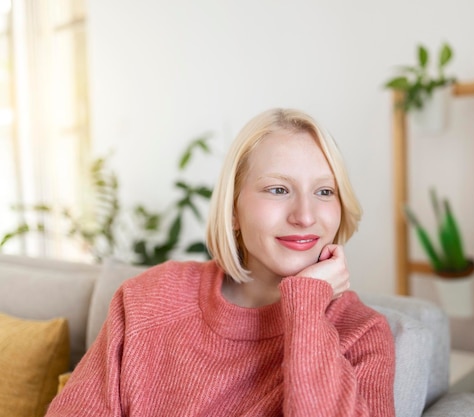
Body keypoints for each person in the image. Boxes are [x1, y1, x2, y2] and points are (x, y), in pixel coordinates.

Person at [46, 108, 396, 416]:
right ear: (232, 210)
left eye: (324, 191)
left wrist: (305, 307)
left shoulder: (362, 334)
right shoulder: (147, 299)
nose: (305, 216)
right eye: (278, 189)